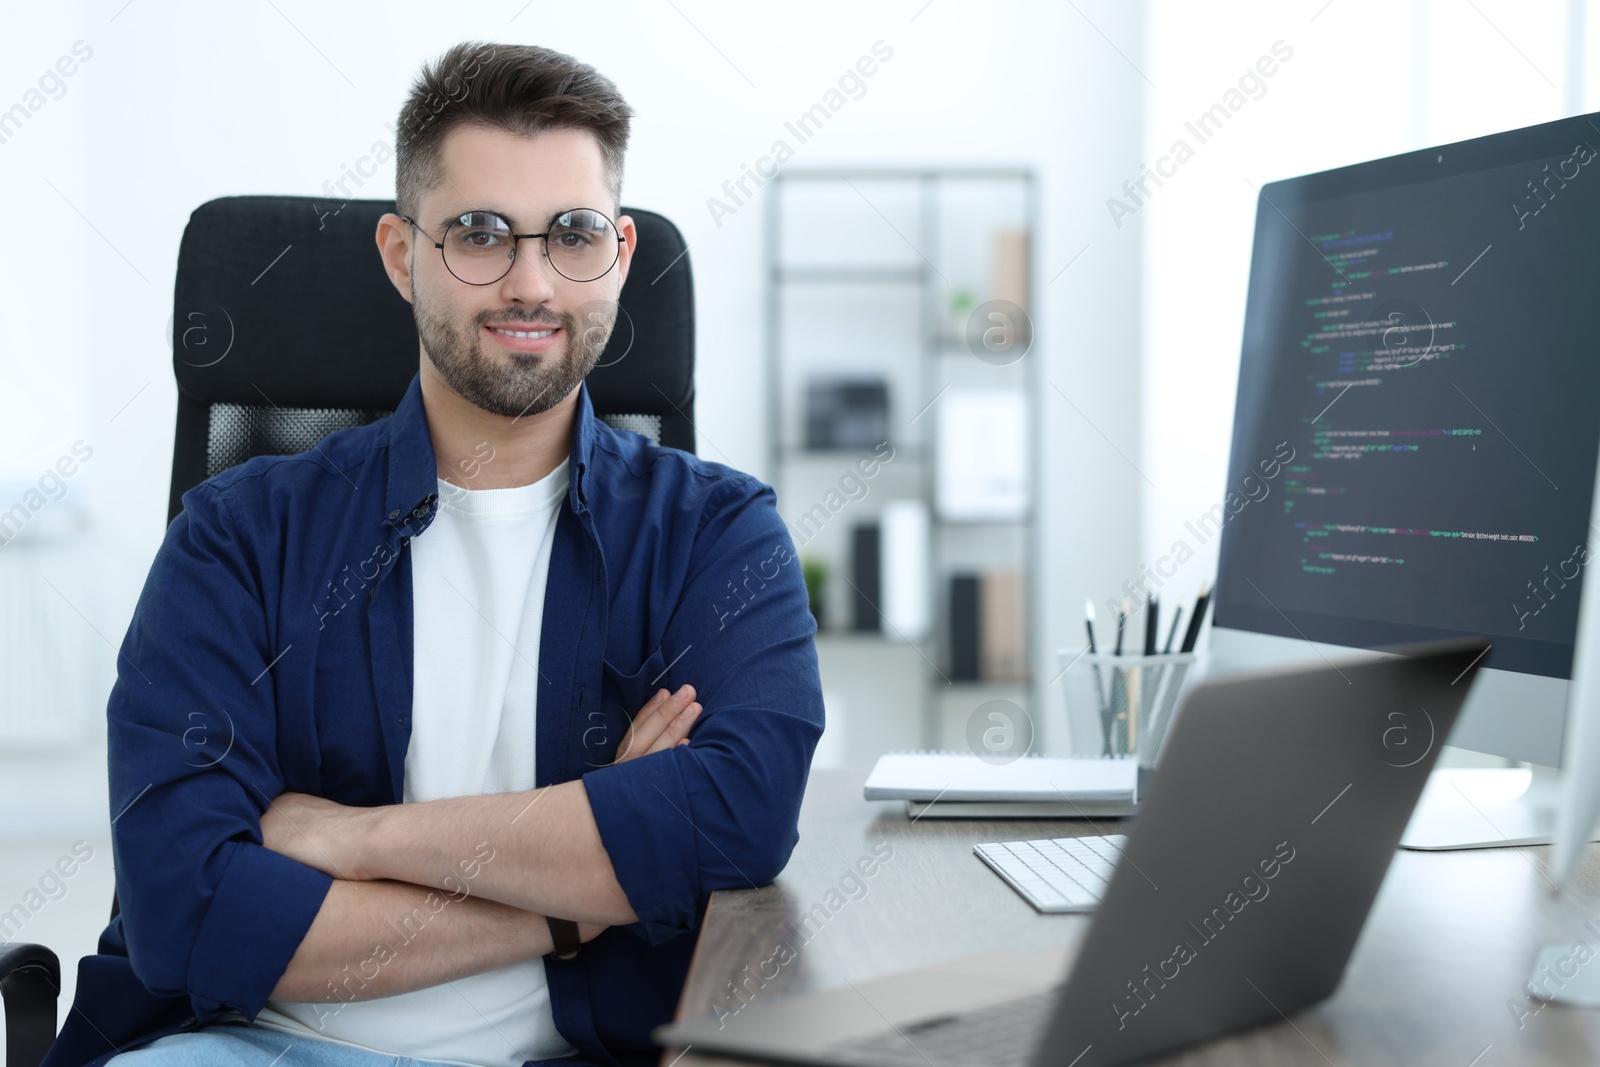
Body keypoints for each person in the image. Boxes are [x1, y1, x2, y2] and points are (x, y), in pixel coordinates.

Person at [41, 40, 823, 1067]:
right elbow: (189, 909)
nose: (531, 282)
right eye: (479, 233)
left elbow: (737, 817)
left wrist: (358, 837)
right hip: (247, 1046)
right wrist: (575, 904)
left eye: (573, 234)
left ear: (620, 255)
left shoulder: (715, 535)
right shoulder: (234, 536)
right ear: (403, 254)